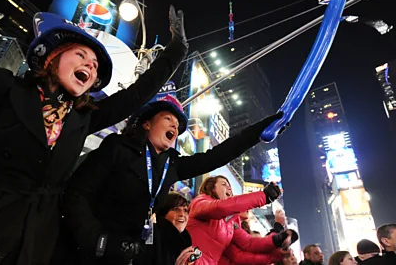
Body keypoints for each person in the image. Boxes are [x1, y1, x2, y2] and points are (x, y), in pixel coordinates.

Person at [0, 7, 188, 265]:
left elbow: (136, 95)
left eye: (95, 66)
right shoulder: (6, 88)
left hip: (35, 243)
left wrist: (177, 50)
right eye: (81, 54)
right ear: (53, 57)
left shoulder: (82, 117)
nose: (90, 65)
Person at [63, 91, 287, 264]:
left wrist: (260, 131)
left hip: (131, 251)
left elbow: (218, 155)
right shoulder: (117, 147)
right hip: (89, 247)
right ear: (146, 123)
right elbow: (78, 192)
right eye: (168, 118)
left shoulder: (172, 164)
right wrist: (96, 240)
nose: (175, 126)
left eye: (178, 125)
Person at [187, 175, 298, 264]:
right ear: (211, 187)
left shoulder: (230, 223)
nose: (229, 188)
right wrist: (264, 196)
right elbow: (220, 207)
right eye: (224, 184)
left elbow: (248, 243)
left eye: (230, 185)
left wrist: (277, 241)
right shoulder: (200, 201)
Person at [142, 191, 197, 265]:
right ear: (163, 213)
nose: (182, 214)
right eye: (175, 209)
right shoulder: (152, 236)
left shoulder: (185, 241)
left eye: (185, 210)